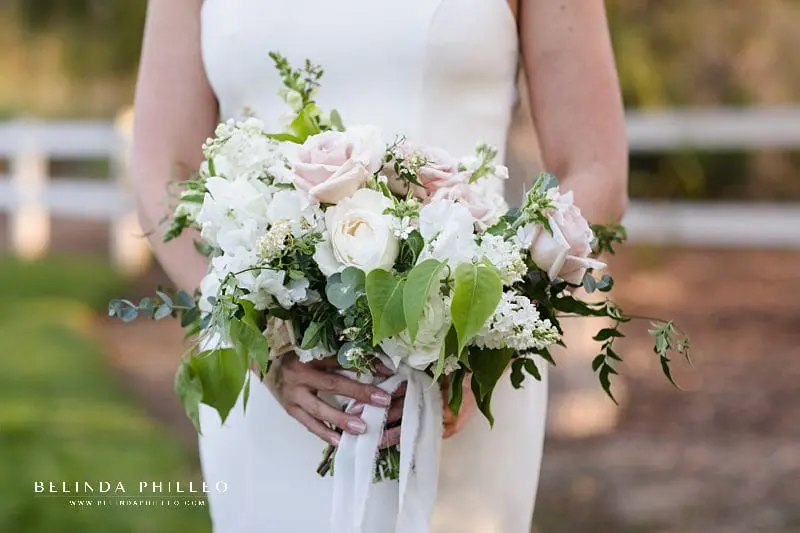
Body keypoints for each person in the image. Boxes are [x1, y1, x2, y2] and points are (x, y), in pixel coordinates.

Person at [131, 0, 628, 531]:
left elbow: (595, 169)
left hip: (464, 358)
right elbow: (165, 171)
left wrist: (487, 335)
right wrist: (265, 343)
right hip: (272, 379)